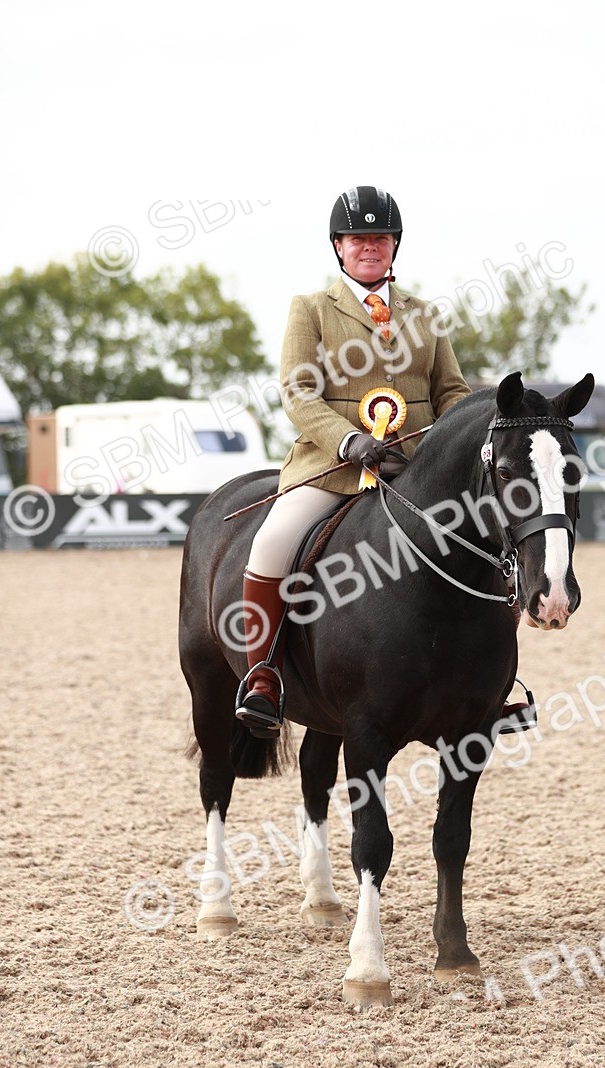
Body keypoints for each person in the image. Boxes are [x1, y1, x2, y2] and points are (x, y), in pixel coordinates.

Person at [235, 185, 471, 735]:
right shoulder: (312, 310)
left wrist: (442, 448)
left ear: (395, 246)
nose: (370, 247)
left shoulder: (424, 314)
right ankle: (263, 675)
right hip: (332, 465)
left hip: (415, 469)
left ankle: (492, 682)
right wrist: (349, 441)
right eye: (359, 238)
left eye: (380, 238)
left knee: (486, 540)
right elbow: (298, 392)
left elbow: (453, 393)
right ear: (339, 246)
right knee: (272, 542)